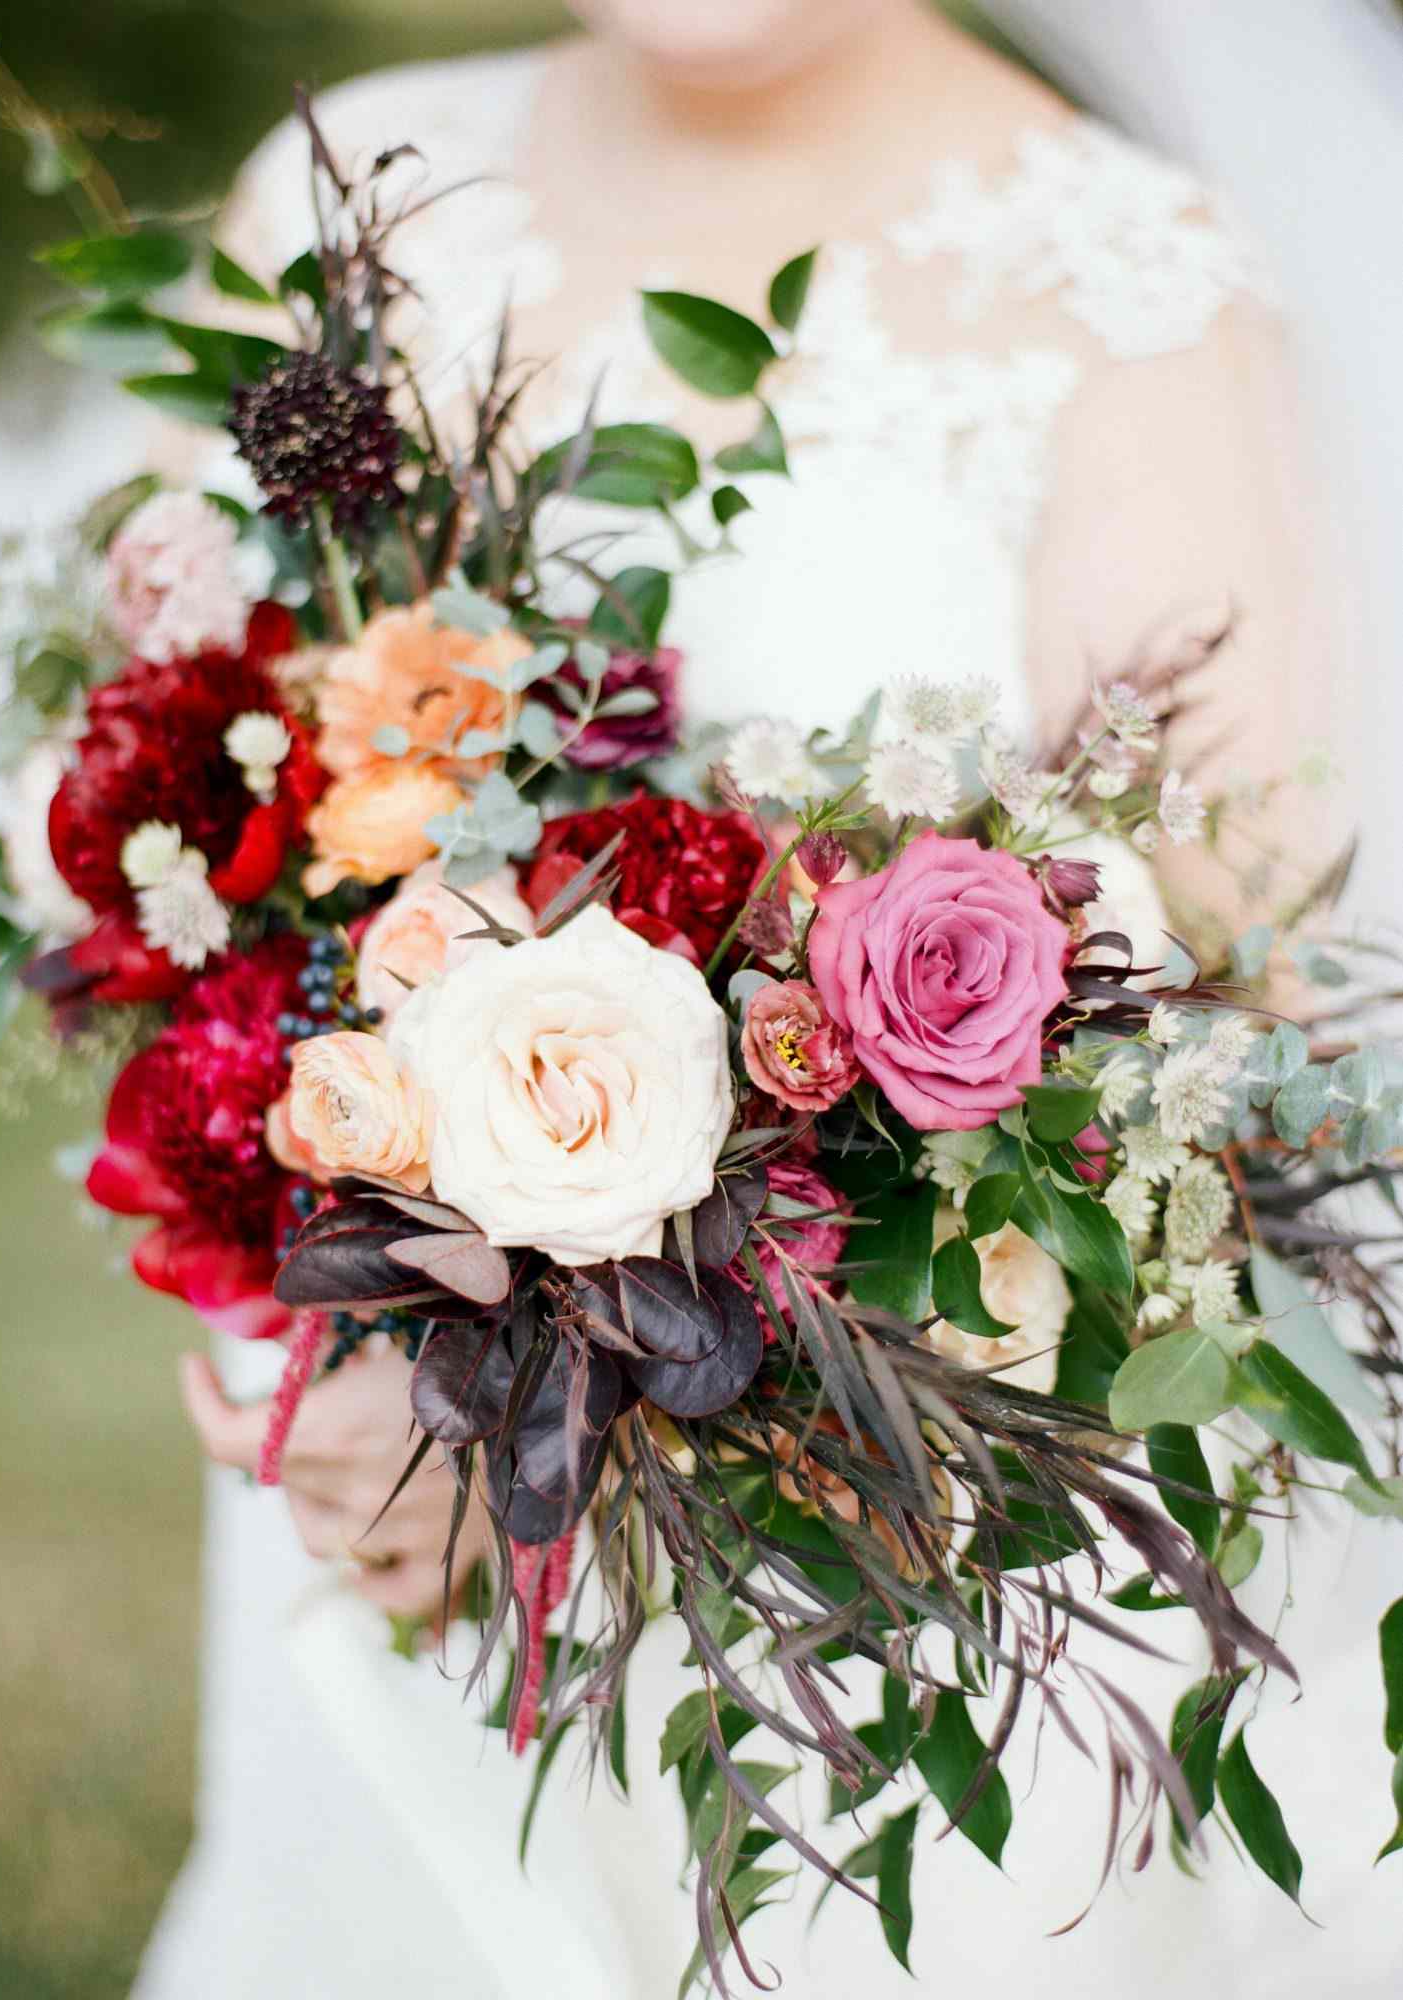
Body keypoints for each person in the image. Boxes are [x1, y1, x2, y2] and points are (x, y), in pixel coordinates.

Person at [150, 5, 1396, 1995]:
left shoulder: (1135, 295)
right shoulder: (336, 197)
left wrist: (530, 1422)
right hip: (352, 1442)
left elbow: (1167, 1076)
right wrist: (338, 1315)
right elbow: (185, 817)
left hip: (857, 1566)